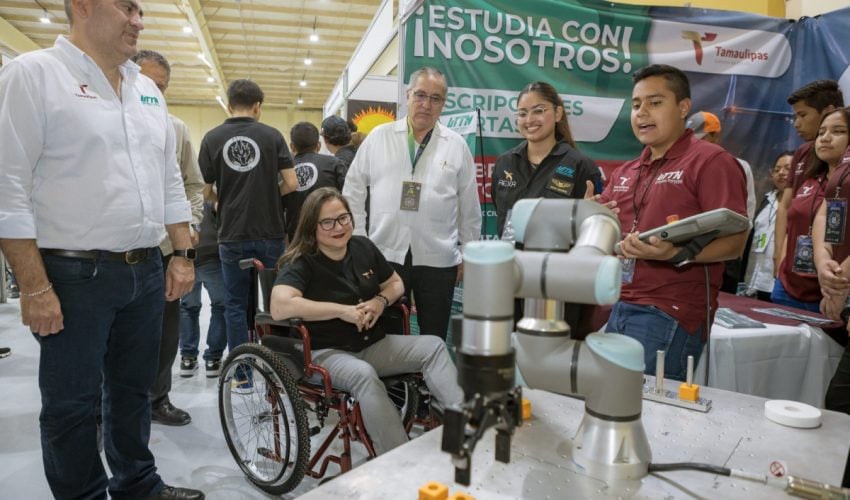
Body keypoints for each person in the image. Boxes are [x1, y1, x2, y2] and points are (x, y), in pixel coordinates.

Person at [0, 1, 202, 498]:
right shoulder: (33, 76)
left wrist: (181, 252)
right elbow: (7, 187)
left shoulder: (146, 90)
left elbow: (169, 178)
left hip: (145, 270)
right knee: (72, 403)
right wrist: (33, 285)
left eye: (140, 10)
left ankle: (138, 484)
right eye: (127, 7)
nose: (139, 19)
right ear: (83, 6)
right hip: (72, 276)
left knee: (134, 391)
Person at [270, 187, 463, 454]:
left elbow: (396, 283)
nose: (338, 227)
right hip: (325, 353)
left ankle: (467, 427)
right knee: (364, 375)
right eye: (327, 222)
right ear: (311, 227)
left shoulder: (362, 246)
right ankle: (399, 458)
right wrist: (340, 311)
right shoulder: (302, 260)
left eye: (343, 218)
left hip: (372, 344)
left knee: (434, 346)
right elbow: (279, 306)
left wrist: (380, 302)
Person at [598, 64, 748, 382]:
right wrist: (590, 215)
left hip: (670, 312)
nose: (642, 113)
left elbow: (735, 243)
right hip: (620, 305)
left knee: (651, 419)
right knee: (612, 406)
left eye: (655, 102)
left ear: (683, 107)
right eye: (636, 104)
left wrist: (674, 254)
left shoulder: (710, 162)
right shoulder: (626, 171)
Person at [343, 67, 482, 340]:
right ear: (407, 95)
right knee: (386, 333)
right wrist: (358, 240)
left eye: (435, 98)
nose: (426, 105)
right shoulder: (379, 137)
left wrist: (468, 251)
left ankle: (429, 383)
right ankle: (394, 384)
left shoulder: (456, 145)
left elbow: (469, 204)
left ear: (443, 104)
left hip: (438, 257)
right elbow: (353, 190)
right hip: (384, 254)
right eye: (420, 95)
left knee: (434, 333)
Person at [492, 81, 603, 335]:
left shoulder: (580, 166)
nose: (529, 119)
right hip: (512, 281)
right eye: (522, 113)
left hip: (558, 286)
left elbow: (593, 236)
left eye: (538, 110)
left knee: (553, 362)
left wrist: (589, 215)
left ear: (558, 113)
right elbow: (502, 214)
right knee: (510, 358)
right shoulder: (504, 163)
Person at [133, 49, 205, 427]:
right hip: (117, 251)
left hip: (166, 250)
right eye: (146, 83)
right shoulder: (106, 120)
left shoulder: (175, 129)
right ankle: (100, 413)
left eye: (161, 87)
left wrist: (191, 226)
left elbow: (193, 184)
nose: (153, 93)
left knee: (166, 332)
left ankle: (158, 399)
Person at [199, 79, 297, 360]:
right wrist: (269, 193)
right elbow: (291, 183)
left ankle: (241, 370)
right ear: (258, 107)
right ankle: (281, 364)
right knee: (278, 299)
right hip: (270, 231)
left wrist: (223, 200)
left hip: (231, 233)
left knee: (234, 304)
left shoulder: (211, 138)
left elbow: (204, 191)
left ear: (229, 106)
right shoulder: (272, 135)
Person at [774, 109, 849, 311]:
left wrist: (838, 279)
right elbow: (794, 224)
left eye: (838, 131)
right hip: (788, 284)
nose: (825, 138)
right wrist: (780, 263)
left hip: (831, 290)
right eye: (821, 132)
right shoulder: (810, 181)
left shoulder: (843, 185)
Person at [774, 80, 844, 273]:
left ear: (829, 111)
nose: (797, 123)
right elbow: (786, 206)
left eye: (803, 115)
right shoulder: (803, 153)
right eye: (795, 116)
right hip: (791, 273)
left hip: (833, 274)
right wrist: (779, 256)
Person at [686, 110, 756, 294]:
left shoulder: (736, 165)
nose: (695, 143)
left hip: (723, 253)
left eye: (702, 138)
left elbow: (745, 216)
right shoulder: (684, 167)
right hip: (689, 253)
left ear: (716, 135)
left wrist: (735, 254)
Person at [178, 201, 228, 378]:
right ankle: (213, 360)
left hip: (184, 253)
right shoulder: (210, 191)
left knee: (188, 307)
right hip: (211, 252)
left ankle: (187, 358)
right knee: (221, 306)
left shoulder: (178, 187)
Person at [741, 151, 792, 301]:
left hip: (778, 283)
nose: (781, 173)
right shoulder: (767, 199)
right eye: (777, 170)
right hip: (754, 280)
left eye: (788, 169)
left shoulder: (800, 204)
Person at [284, 121, 348, 240]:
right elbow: (348, 197)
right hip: (331, 230)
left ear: (292, 146)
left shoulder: (284, 171)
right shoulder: (334, 164)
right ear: (318, 145)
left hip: (297, 235)